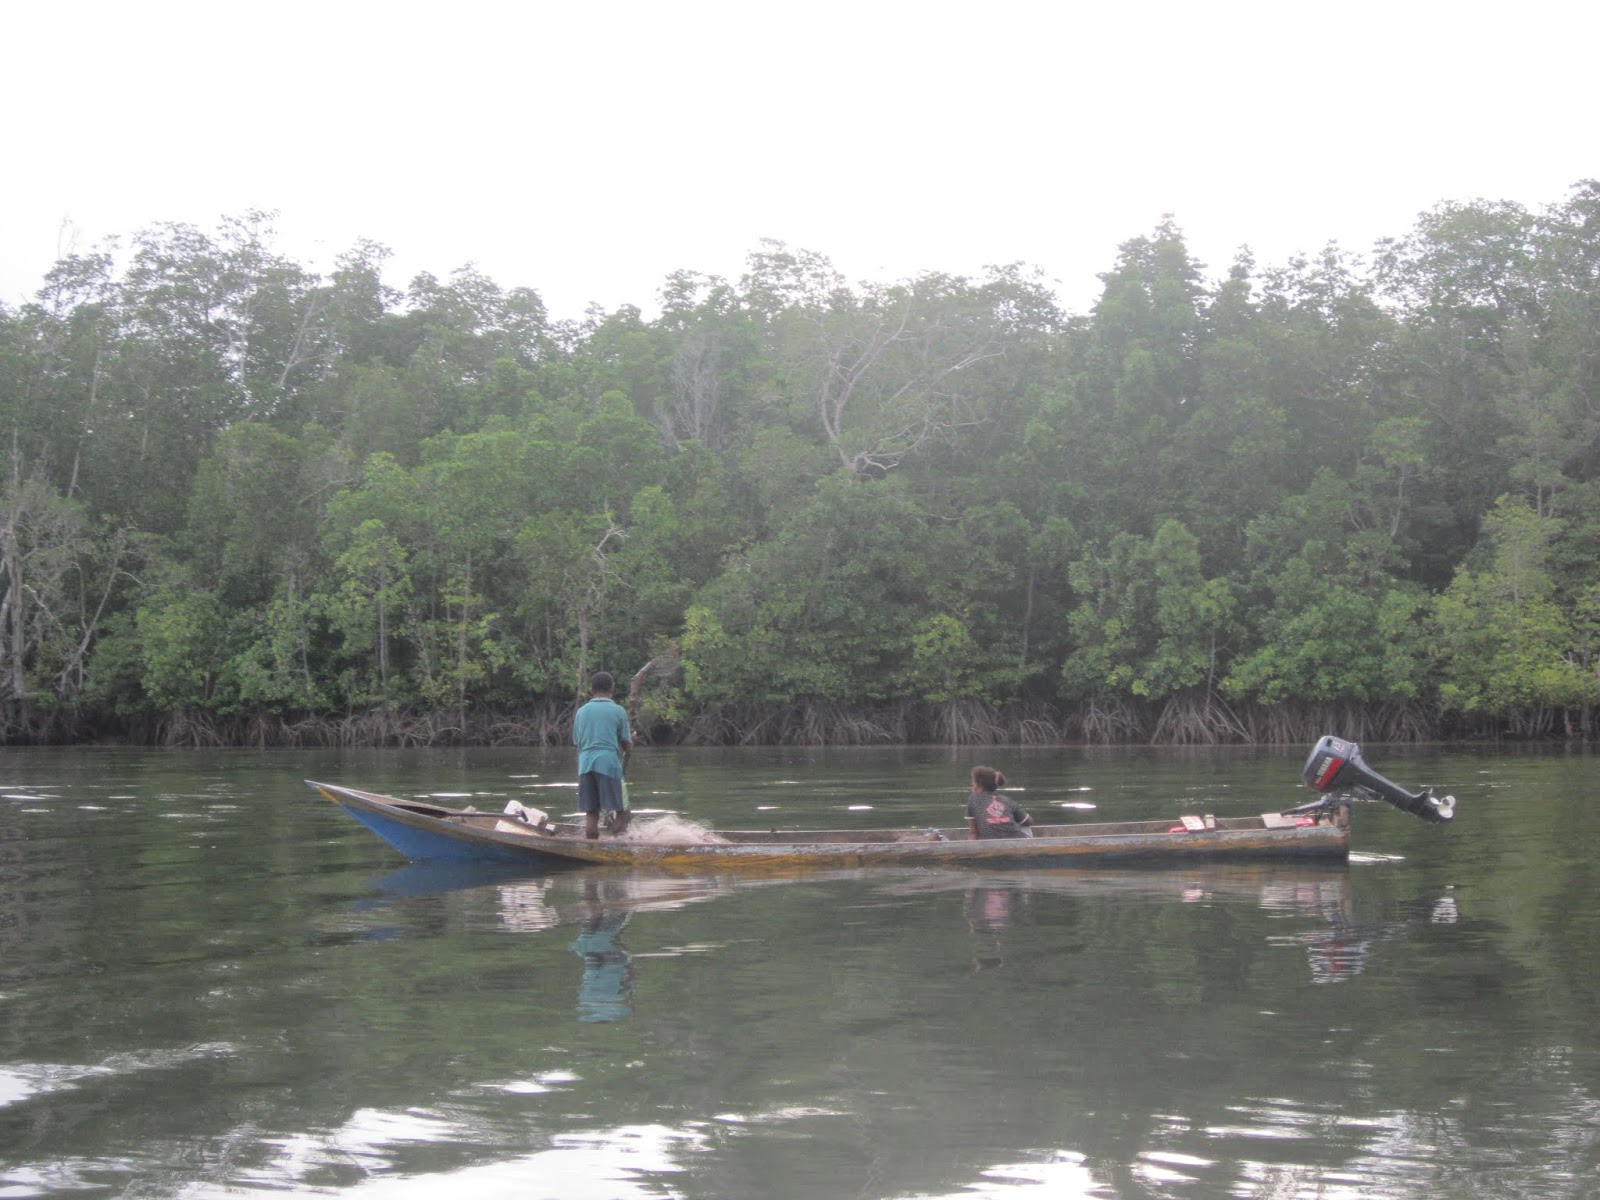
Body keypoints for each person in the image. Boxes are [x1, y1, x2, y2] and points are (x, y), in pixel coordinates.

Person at [573, 670, 632, 839]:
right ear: (612, 689)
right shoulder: (618, 711)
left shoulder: (581, 712)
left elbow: (578, 742)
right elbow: (626, 744)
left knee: (591, 813)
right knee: (622, 811)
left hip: (585, 766)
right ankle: (619, 846)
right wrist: (631, 741)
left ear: (592, 690)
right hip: (608, 764)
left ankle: (591, 846)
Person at [965, 765, 1032, 839]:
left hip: (991, 844)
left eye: (974, 781)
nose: (972, 784)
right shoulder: (1007, 800)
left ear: (980, 785)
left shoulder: (973, 799)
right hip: (1017, 842)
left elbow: (973, 832)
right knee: (1024, 826)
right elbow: (1028, 821)